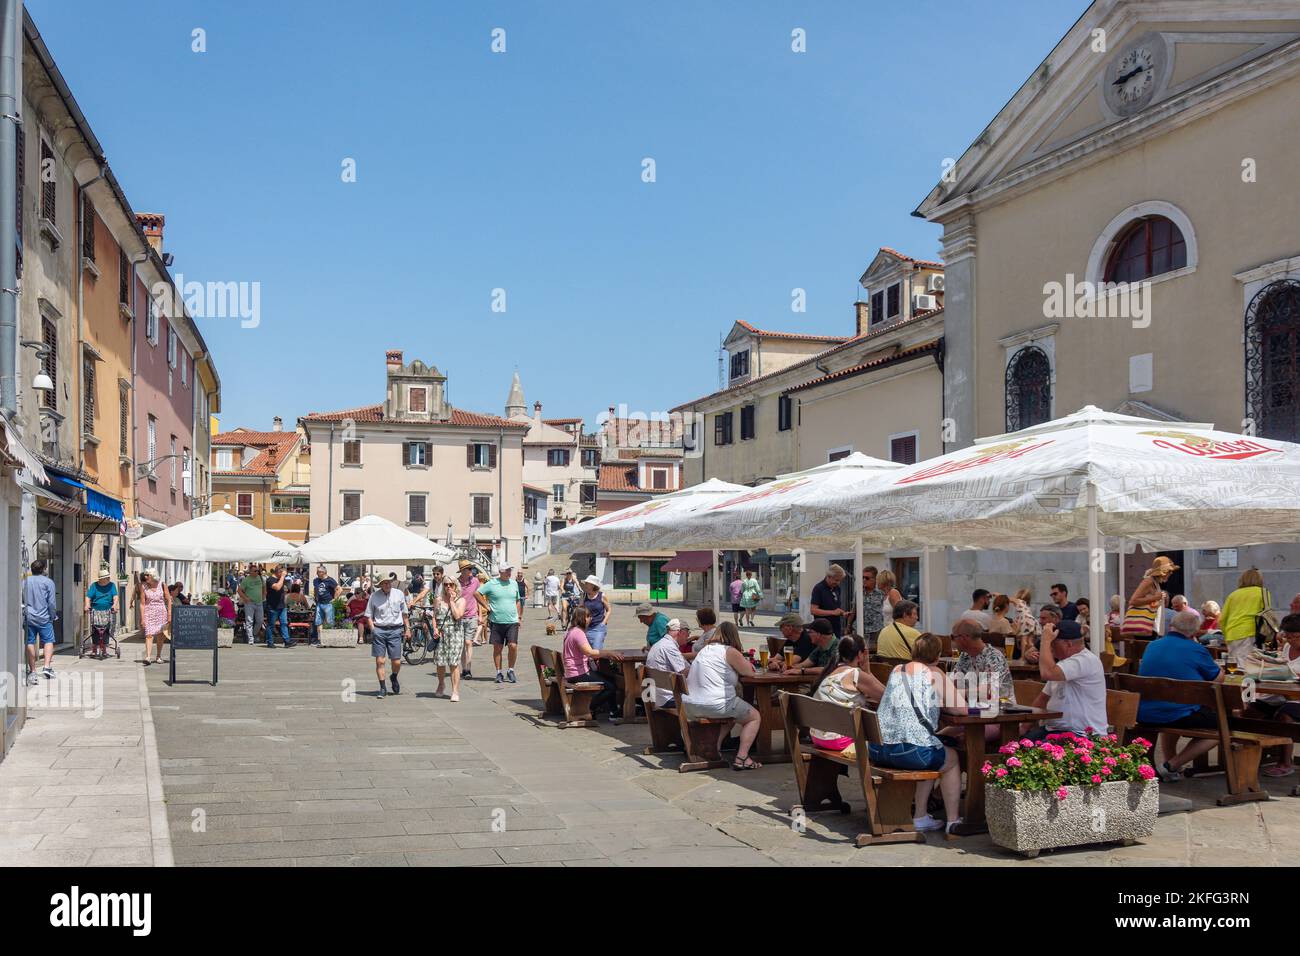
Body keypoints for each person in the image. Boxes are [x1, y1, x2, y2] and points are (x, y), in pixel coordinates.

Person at [871, 633, 967, 834]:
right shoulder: (936, 674)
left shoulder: (897, 670)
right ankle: (952, 821)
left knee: (934, 747)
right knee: (951, 758)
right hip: (909, 752)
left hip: (878, 748)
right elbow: (962, 710)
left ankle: (922, 815)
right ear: (938, 655)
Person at [1137, 609, 1227, 781]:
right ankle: (1173, 764)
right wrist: (1220, 668)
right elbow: (1218, 679)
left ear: (1172, 626)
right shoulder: (1195, 649)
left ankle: (1170, 765)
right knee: (1223, 727)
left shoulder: (1152, 645)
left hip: (1145, 712)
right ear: (1193, 632)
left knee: (1175, 708)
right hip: (1177, 713)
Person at [681, 622, 763, 770]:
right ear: (734, 636)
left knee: (732, 715)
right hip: (714, 704)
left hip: (690, 705)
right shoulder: (729, 651)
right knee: (754, 716)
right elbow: (749, 672)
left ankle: (714, 749)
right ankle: (742, 757)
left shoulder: (705, 650)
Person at [1021, 619, 1107, 741]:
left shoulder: (1085, 660)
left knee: (1033, 754)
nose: (1050, 648)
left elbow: (1047, 673)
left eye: (1053, 644)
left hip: (1083, 734)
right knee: (1015, 746)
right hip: (1054, 730)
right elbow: (1042, 699)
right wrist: (1023, 727)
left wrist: (1045, 641)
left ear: (1068, 644)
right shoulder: (1063, 664)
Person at [807, 635, 886, 756]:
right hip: (839, 739)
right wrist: (868, 672)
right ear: (860, 654)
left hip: (819, 736)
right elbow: (887, 697)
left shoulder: (831, 672)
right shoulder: (855, 674)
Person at [1250, 613, 1300, 777]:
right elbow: (1283, 665)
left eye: (1295, 637)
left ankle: (1285, 762)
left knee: (1285, 715)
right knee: (1252, 710)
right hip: (1282, 694)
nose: (1291, 640)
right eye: (1288, 636)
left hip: (1296, 699)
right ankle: (1251, 756)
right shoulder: (1287, 647)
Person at [948, 620, 1013, 742]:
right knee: (940, 737)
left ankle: (974, 761)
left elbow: (989, 690)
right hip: (973, 715)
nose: (952, 641)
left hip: (999, 717)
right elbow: (953, 682)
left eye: (953, 637)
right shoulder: (965, 656)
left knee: (961, 739)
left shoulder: (994, 656)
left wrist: (959, 693)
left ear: (964, 638)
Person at [561, 607, 624, 718]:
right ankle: (588, 708)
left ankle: (614, 712)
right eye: (588, 616)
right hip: (578, 673)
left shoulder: (571, 631)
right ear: (582, 618)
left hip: (572, 672)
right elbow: (590, 652)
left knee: (611, 679)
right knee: (610, 687)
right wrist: (608, 653)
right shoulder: (578, 633)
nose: (591, 618)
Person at [365, 575, 409, 698]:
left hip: (395, 630)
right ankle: (382, 687)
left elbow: (404, 613)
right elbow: (368, 615)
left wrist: (408, 629)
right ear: (380, 585)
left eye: (389, 582)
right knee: (380, 661)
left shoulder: (399, 594)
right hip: (379, 630)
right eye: (384, 583)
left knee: (397, 661)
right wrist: (373, 630)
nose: (387, 584)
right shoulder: (374, 596)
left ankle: (394, 676)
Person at [1221, 567, 1270, 669]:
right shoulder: (1262, 592)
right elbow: (1267, 614)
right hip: (1250, 631)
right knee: (1247, 665)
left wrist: (1226, 636)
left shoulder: (1233, 594)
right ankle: (1245, 684)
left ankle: (1236, 683)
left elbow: (1222, 619)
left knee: (1234, 664)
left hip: (1232, 633)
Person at [480, 564, 521, 683]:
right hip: (496, 621)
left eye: (510, 570)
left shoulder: (514, 583)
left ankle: (511, 670)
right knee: (498, 648)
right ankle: (499, 672)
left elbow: (518, 600)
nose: (509, 572)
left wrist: (519, 617)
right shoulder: (492, 583)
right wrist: (486, 606)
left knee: (513, 646)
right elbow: (477, 593)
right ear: (500, 572)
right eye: (507, 570)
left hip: (512, 621)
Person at [1121, 555, 1175, 641]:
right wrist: (1155, 597)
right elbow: (1133, 601)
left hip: (1150, 627)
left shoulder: (1155, 583)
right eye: (1170, 571)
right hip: (1145, 627)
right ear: (1163, 571)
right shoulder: (1148, 581)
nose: (1171, 573)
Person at [23, 559, 59, 682]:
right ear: (43, 569)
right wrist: (53, 615)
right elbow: (52, 603)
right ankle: (47, 667)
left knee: (30, 642)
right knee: (48, 641)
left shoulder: (25, 582)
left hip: (29, 618)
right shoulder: (48, 582)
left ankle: (32, 671)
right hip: (44, 618)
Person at [645, 616, 693, 708]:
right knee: (708, 700)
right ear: (680, 632)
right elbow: (684, 672)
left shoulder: (661, 644)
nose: (688, 636)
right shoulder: (669, 647)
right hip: (668, 698)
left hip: (657, 696)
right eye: (688, 633)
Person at [432, 578, 467, 701]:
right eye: (445, 584)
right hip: (441, 634)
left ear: (455, 586)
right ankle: (441, 684)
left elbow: (457, 616)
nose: (448, 587)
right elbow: (434, 616)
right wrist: (435, 629)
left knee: (454, 663)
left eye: (450, 584)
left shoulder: (461, 600)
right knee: (440, 662)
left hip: (455, 633)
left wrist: (452, 601)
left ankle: (455, 691)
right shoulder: (438, 600)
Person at [137, 567, 171, 666]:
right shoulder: (143, 586)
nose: (146, 577)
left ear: (153, 576)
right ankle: (148, 657)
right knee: (149, 634)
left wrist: (169, 614)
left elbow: (168, 600)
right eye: (145, 575)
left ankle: (158, 656)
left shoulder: (162, 584)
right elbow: (142, 604)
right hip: (149, 612)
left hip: (161, 613)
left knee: (160, 636)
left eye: (148, 575)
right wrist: (142, 618)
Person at [85, 565, 119, 661]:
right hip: (96, 610)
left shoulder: (112, 585)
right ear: (101, 579)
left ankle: (104, 649)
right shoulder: (94, 586)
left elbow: (115, 597)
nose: (107, 579)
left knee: (105, 629)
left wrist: (114, 605)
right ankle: (94, 649)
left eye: (107, 578)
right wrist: (87, 605)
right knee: (95, 629)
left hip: (108, 610)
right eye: (105, 578)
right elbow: (88, 597)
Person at [810, 564, 850, 637]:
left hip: (836, 629)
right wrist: (833, 612)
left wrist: (842, 613)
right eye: (836, 580)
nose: (838, 583)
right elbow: (813, 610)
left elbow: (834, 608)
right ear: (828, 577)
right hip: (823, 631)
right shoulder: (818, 589)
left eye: (840, 580)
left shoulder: (837, 588)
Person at [457, 561, 481, 678]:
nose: (471, 571)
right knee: (461, 645)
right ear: (463, 571)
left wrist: (480, 614)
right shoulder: (456, 583)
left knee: (468, 642)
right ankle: (464, 669)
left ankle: (468, 669)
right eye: (468, 569)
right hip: (459, 617)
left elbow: (478, 597)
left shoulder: (475, 581)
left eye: (471, 569)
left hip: (472, 615)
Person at [263, 565, 293, 648]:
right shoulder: (270, 580)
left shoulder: (280, 579)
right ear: (278, 572)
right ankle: (270, 642)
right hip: (272, 606)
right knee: (271, 624)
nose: (284, 575)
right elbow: (277, 587)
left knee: (284, 623)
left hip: (281, 606)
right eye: (283, 573)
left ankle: (287, 641)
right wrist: (283, 577)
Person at [580, 575, 611, 650]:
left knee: (596, 650)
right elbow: (580, 610)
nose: (585, 585)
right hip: (585, 627)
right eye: (586, 583)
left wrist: (603, 623)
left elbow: (609, 610)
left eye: (587, 583)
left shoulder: (601, 596)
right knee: (586, 651)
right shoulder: (583, 595)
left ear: (593, 585)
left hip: (598, 627)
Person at [312, 566, 338, 647]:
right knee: (318, 622)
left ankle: (330, 640)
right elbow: (315, 589)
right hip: (319, 603)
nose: (317, 573)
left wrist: (335, 599)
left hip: (328, 603)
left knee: (329, 622)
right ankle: (320, 640)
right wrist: (315, 597)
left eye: (318, 572)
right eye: (317, 571)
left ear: (323, 572)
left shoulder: (330, 580)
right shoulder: (316, 580)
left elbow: (339, 589)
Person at [1011, 587, 1040, 659]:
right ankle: (1031, 654)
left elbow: (1008, 599)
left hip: (1025, 620)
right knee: (1030, 641)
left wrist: (998, 595)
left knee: (1024, 640)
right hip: (1031, 620)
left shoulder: (1019, 601)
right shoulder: (1026, 605)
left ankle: (1022, 657)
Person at [859, 566, 885, 645]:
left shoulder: (881, 593)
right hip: (860, 629)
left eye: (867, 578)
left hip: (876, 630)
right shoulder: (859, 592)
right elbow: (854, 610)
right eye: (862, 577)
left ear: (874, 579)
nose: (864, 580)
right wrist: (848, 627)